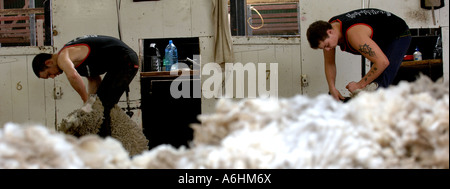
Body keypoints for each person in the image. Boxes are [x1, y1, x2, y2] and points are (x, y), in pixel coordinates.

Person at [32, 35, 139, 137]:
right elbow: (94, 80)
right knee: (99, 106)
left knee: (102, 107)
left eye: (49, 74)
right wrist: (91, 104)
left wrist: (85, 102)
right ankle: (102, 140)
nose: (52, 77)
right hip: (121, 63)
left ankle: (103, 146)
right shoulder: (75, 60)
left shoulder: (63, 57)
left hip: (125, 60)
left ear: (49, 62)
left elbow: (73, 76)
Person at [307, 8, 412, 101]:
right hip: (380, 36)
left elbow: (382, 62)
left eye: (327, 45)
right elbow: (329, 63)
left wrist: (359, 85)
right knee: (373, 82)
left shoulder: (354, 35)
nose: (328, 49)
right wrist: (332, 88)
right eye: (324, 48)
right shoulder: (328, 30)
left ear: (330, 32)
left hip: (398, 34)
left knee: (379, 85)